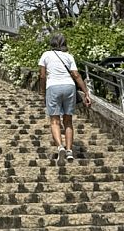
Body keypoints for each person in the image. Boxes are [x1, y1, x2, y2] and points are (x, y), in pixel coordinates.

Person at [38, 32, 92, 163]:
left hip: (53, 87)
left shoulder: (46, 55)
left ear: (52, 42)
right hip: (69, 87)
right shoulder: (68, 56)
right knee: (68, 121)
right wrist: (86, 92)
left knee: (55, 121)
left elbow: (42, 76)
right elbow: (76, 75)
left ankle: (60, 147)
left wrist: (42, 92)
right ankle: (69, 151)